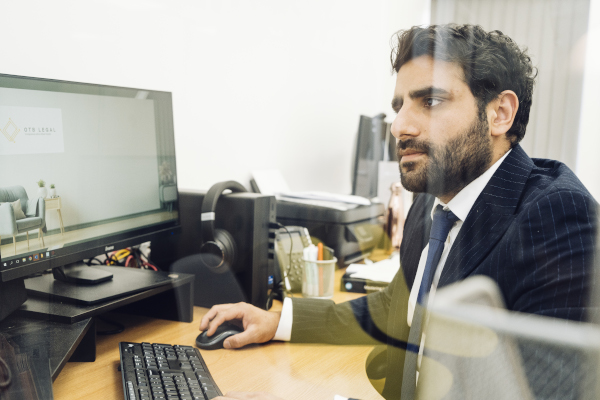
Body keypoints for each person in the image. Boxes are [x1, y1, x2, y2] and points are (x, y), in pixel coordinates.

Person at [204, 24, 598, 400]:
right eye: (399, 106)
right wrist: (280, 321)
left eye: (430, 101)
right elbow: (397, 304)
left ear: (499, 114)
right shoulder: (434, 200)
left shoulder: (558, 217)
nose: (399, 126)